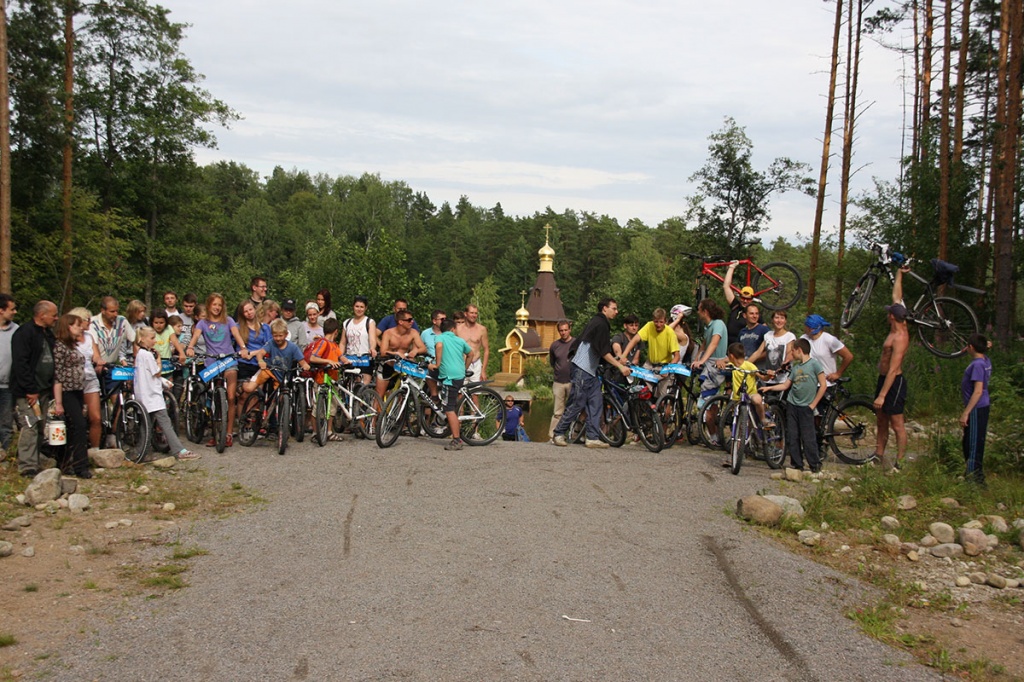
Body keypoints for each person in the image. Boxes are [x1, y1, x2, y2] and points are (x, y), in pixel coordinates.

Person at [551, 298, 631, 448]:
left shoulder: (598, 322)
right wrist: (620, 367)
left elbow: (599, 350)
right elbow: (603, 351)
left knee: (596, 402)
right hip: (582, 368)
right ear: (604, 309)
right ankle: (559, 433)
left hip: (590, 371)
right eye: (614, 308)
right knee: (577, 402)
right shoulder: (600, 324)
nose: (616, 311)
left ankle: (592, 437)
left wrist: (615, 360)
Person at [185, 293, 249, 448]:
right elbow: (195, 337)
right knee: (211, 397)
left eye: (219, 305)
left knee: (231, 396)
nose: (217, 307)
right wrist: (190, 347)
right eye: (214, 304)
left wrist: (243, 348)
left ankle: (228, 433)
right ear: (209, 305)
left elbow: (237, 335)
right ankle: (214, 431)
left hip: (228, 360)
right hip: (211, 362)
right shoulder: (202, 323)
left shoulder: (229, 321)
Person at [134, 326, 198, 461]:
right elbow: (156, 372)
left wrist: (163, 382)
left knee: (146, 425)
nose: (154, 341)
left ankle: (141, 452)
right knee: (165, 423)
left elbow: (148, 375)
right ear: (142, 339)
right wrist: (158, 359)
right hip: (152, 396)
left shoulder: (140, 354)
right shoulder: (147, 355)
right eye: (152, 338)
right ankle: (179, 450)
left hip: (145, 395)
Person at [764, 338, 827, 472]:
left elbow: (823, 385)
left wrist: (813, 404)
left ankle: (814, 464)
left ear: (799, 350)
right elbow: (786, 385)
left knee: (808, 436)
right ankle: (797, 464)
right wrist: (769, 388)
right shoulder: (796, 368)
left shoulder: (814, 365)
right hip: (792, 404)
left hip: (806, 406)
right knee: (793, 435)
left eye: (793, 351)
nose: (792, 354)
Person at [11, 300, 59, 476]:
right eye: (53, 315)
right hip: (28, 391)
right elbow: (21, 363)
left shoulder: (48, 334)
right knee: (30, 425)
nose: (56, 318)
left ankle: (36, 460)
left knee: (40, 426)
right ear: (42, 315)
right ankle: (27, 466)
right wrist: (30, 389)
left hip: (45, 389)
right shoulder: (24, 333)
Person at [51, 314, 92, 478]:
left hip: (78, 389)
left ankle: (66, 462)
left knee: (73, 426)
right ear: (68, 327)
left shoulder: (72, 346)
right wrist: (59, 402)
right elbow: (58, 375)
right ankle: (81, 465)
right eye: (76, 325)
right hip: (66, 391)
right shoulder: (59, 347)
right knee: (79, 425)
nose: (80, 328)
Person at [873, 302, 910, 470]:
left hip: (894, 382)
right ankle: (878, 456)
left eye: (889, 313)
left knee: (896, 423)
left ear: (892, 316)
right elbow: (897, 295)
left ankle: (900, 462)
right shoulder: (893, 331)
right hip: (883, 378)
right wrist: (900, 275)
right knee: (881, 420)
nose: (887, 315)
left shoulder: (900, 337)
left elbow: (894, 369)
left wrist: (882, 394)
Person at [432, 318, 476, 451]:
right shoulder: (459, 340)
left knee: (449, 409)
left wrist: (437, 364)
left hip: (450, 377)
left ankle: (457, 439)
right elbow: (471, 354)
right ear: (453, 329)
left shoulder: (440, 338)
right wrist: (464, 367)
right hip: (459, 374)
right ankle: (438, 399)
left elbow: (439, 346)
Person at [692, 299, 729, 445]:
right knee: (705, 402)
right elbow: (704, 345)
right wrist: (697, 359)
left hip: (715, 364)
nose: (698, 312)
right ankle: (711, 434)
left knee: (707, 402)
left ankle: (715, 436)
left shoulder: (718, 324)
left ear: (705, 311)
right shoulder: (708, 327)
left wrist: (702, 360)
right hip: (708, 363)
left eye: (699, 309)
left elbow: (714, 343)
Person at [241, 319, 311, 396]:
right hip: (269, 370)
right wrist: (261, 361)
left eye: (280, 336)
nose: (278, 338)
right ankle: (245, 384)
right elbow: (260, 353)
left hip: (282, 376)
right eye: (275, 336)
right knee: (249, 389)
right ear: (272, 335)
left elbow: (301, 361)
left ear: (286, 334)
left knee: (281, 398)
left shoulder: (293, 347)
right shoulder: (271, 343)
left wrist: (305, 366)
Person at [68, 308, 103, 449]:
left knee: (96, 418)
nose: (89, 322)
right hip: (74, 381)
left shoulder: (89, 337)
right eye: (86, 319)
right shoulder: (68, 338)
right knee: (76, 419)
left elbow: (96, 355)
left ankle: (95, 450)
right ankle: (76, 449)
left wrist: (99, 361)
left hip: (90, 378)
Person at [960, 333, 992, 485]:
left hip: (976, 407)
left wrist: (966, 412)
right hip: (981, 406)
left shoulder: (978, 365)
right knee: (969, 441)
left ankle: (974, 478)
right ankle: (972, 474)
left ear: (971, 347)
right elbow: (986, 347)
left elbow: (977, 391)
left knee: (973, 444)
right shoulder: (985, 360)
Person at [376, 310, 427, 399]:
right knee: (379, 394)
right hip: (388, 364)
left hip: (402, 365)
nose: (412, 322)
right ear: (400, 322)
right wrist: (395, 353)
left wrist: (416, 351)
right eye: (409, 320)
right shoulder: (388, 333)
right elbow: (383, 352)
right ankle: (376, 412)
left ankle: (400, 411)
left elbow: (423, 348)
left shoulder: (413, 332)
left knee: (401, 395)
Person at [801, 314, 853, 385]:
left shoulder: (829, 340)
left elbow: (848, 356)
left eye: (806, 326)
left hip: (826, 384)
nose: (804, 328)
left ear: (811, 328)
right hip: (808, 383)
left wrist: (838, 373)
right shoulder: (804, 339)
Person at [340, 296, 377, 385]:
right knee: (349, 387)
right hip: (350, 359)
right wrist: (340, 356)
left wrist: (372, 348)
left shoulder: (369, 322)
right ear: (353, 307)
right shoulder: (347, 323)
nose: (359, 309)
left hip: (364, 358)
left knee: (362, 387)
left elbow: (372, 339)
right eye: (357, 306)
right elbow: (342, 342)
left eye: (362, 307)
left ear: (365, 308)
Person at [749, 309, 795, 379]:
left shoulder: (789, 336)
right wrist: (744, 364)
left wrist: (783, 366)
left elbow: (790, 354)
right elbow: (758, 353)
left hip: (784, 379)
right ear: (772, 320)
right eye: (776, 318)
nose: (779, 321)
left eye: (782, 318)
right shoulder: (768, 335)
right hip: (769, 378)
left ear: (785, 321)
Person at [548, 319, 573, 440]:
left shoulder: (576, 343)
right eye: (561, 331)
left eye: (565, 330)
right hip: (558, 381)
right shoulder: (555, 345)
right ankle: (553, 435)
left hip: (573, 381)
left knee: (574, 409)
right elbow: (553, 362)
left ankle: (575, 434)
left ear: (570, 330)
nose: (563, 333)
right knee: (558, 411)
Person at [91, 296, 135, 367]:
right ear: (103, 311)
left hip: (112, 365)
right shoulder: (93, 323)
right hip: (95, 365)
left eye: (117, 311)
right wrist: (99, 363)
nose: (115, 314)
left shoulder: (122, 321)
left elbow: (135, 340)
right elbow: (94, 346)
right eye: (112, 311)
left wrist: (136, 359)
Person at [0, 293, 19, 450]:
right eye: (12, 309)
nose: (15, 312)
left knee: (6, 423)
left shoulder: (17, 331)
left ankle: (8, 455)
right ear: (1, 310)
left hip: (7, 385)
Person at [723, 261, 757, 345]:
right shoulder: (735, 305)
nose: (745, 301)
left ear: (752, 299)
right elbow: (726, 286)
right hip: (728, 346)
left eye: (748, 299)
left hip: (742, 348)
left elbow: (764, 329)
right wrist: (732, 267)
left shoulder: (754, 313)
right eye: (743, 298)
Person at [456, 304, 489, 381]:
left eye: (476, 313)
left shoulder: (482, 329)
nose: (474, 315)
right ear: (465, 314)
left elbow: (486, 350)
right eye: (471, 313)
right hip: (461, 363)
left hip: (476, 363)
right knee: (460, 391)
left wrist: (483, 370)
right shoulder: (457, 329)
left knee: (476, 391)